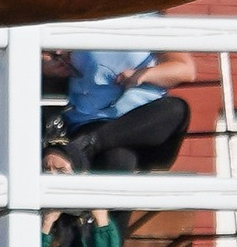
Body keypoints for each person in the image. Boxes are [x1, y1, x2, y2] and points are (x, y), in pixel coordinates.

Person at [54, 48, 196, 173]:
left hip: (145, 123)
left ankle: (87, 144)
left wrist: (144, 75)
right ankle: (88, 145)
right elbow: (45, 55)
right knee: (118, 159)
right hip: (92, 120)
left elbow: (185, 69)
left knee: (177, 109)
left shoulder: (148, 22)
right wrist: (50, 62)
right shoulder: (78, 22)